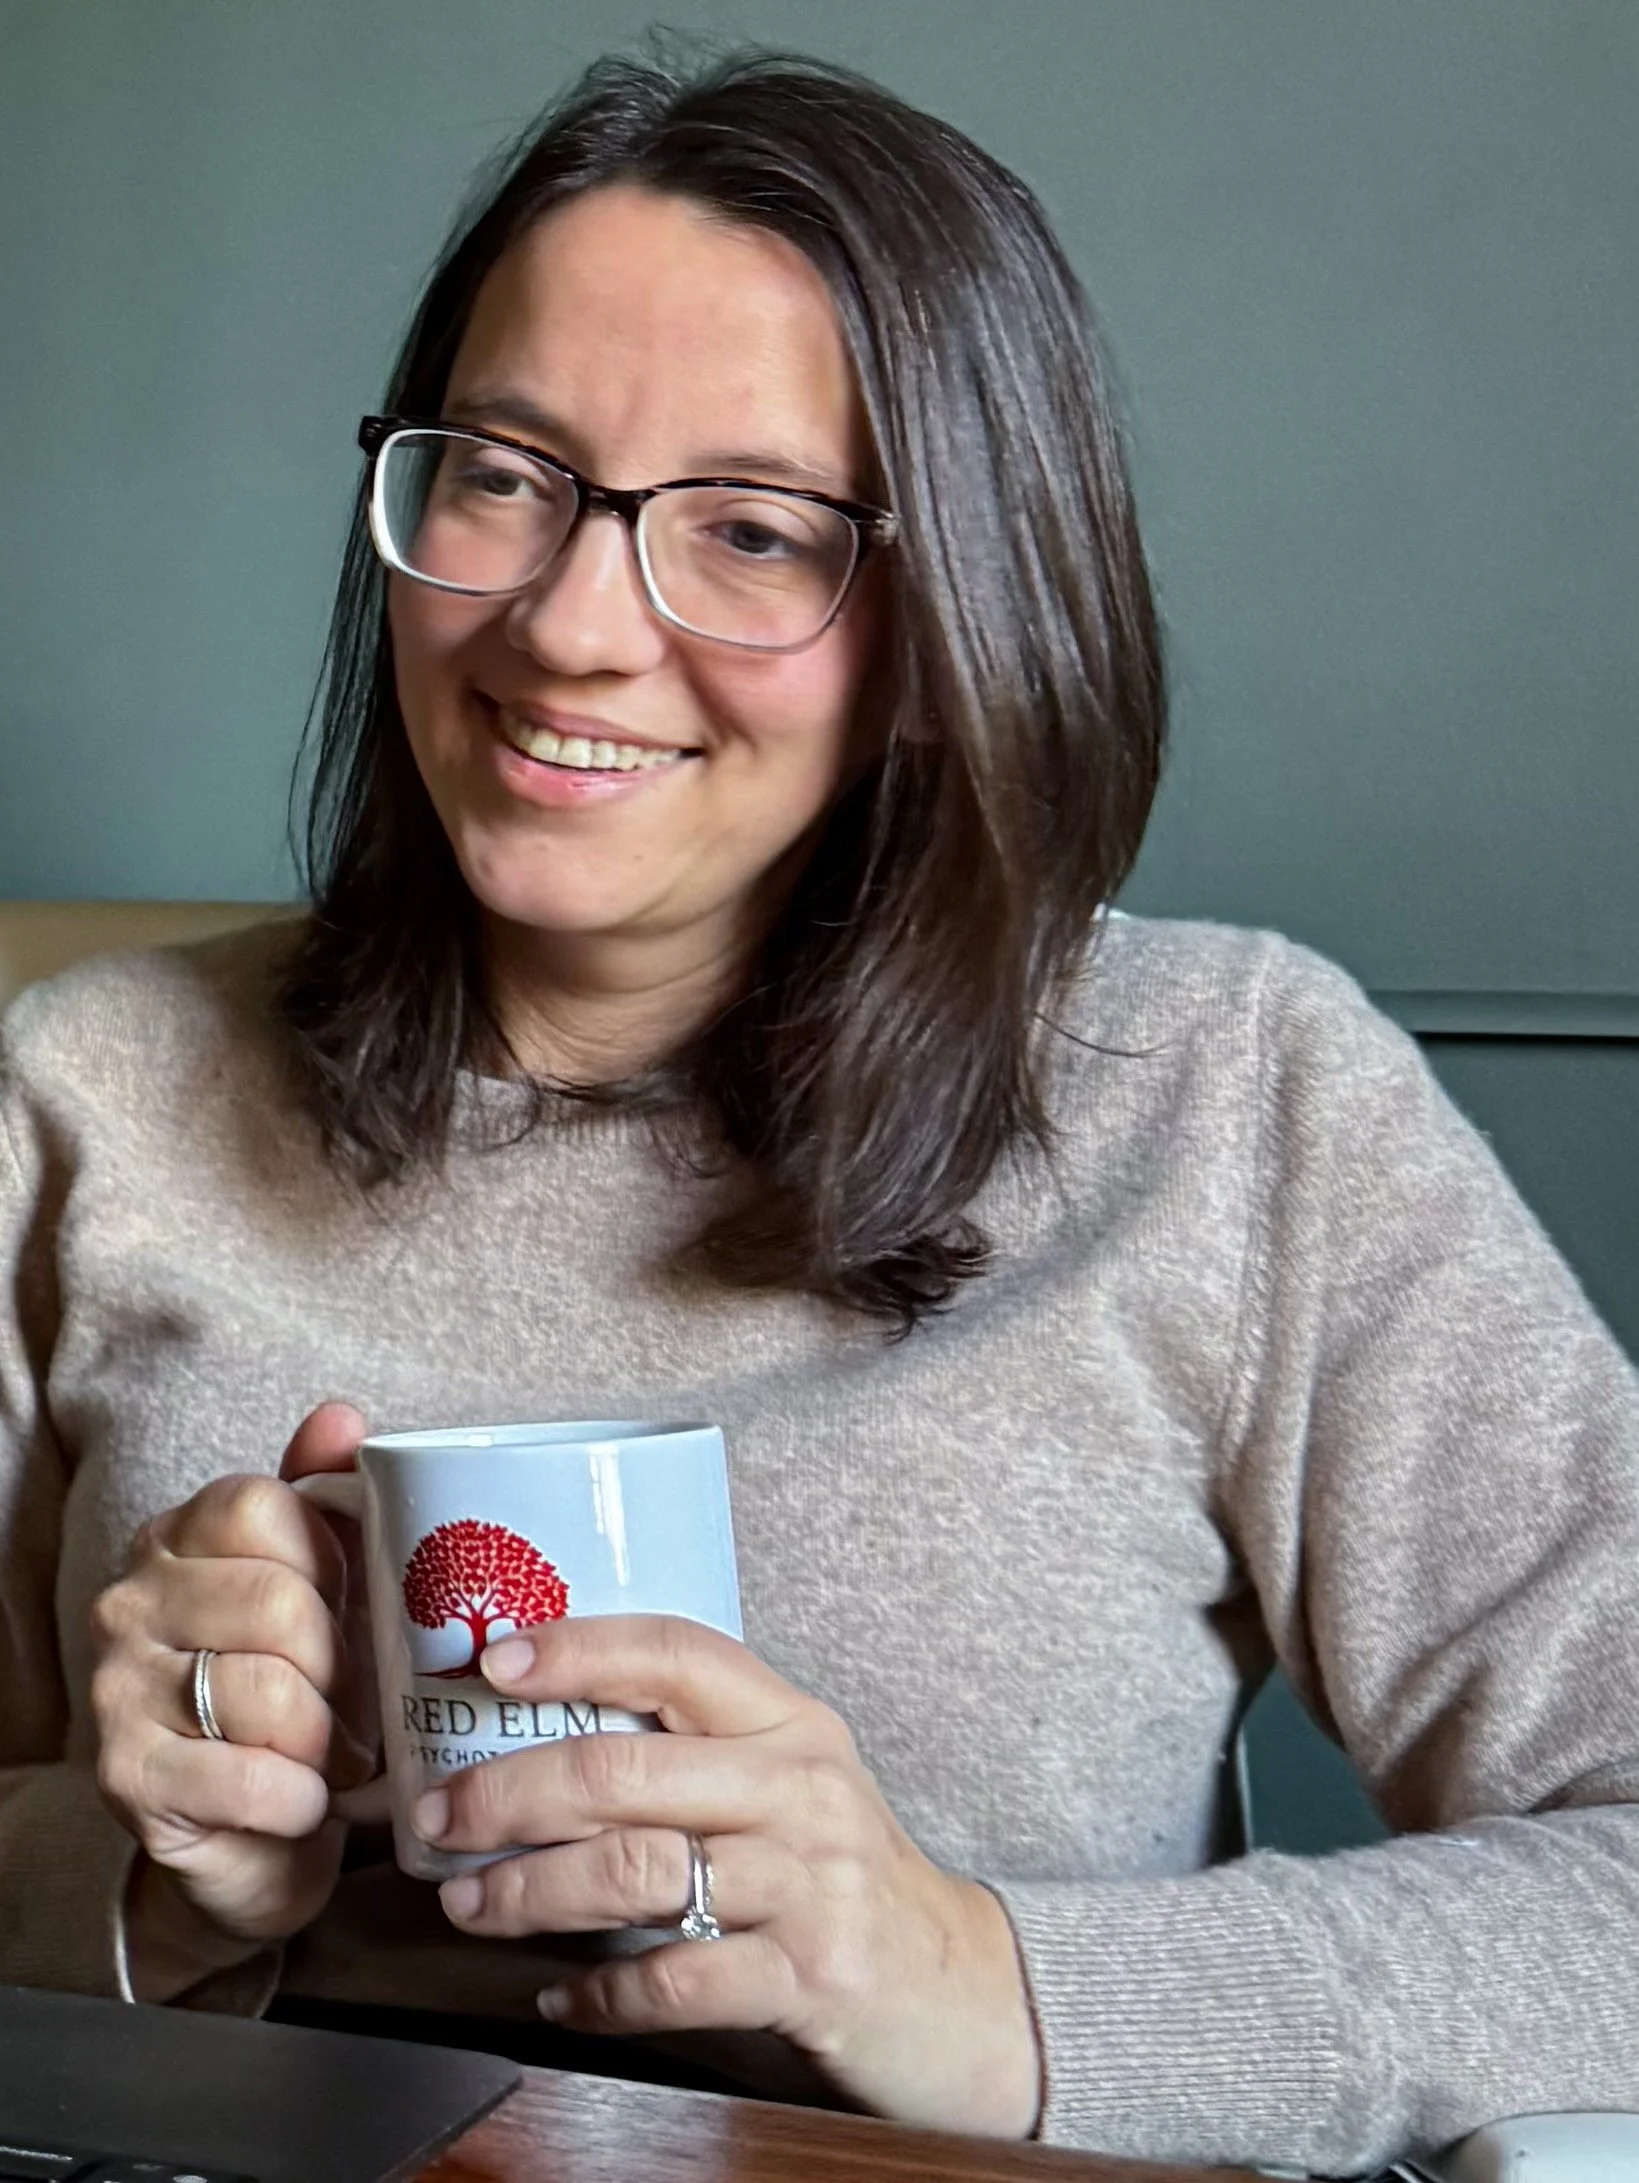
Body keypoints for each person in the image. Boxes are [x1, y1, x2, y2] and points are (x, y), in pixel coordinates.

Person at [1, 47, 1636, 2178]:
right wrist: (134, 1874)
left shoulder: (1232, 1097)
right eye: (499, 473)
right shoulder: (84, 1090)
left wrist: (974, 1975)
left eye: (754, 530)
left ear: (966, 611)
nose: (571, 626)